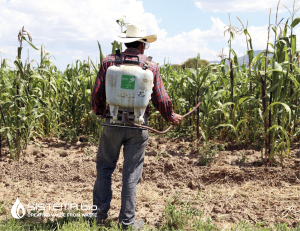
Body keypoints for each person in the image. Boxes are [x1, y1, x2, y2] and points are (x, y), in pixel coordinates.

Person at [91, 23, 183, 230]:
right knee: (131, 175)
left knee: (105, 169)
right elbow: (160, 98)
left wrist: (100, 112)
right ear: (142, 45)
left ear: (126, 42)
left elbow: (97, 93)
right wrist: (171, 116)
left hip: (112, 122)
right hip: (138, 126)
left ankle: (98, 217)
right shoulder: (150, 67)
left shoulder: (109, 62)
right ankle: (127, 223)